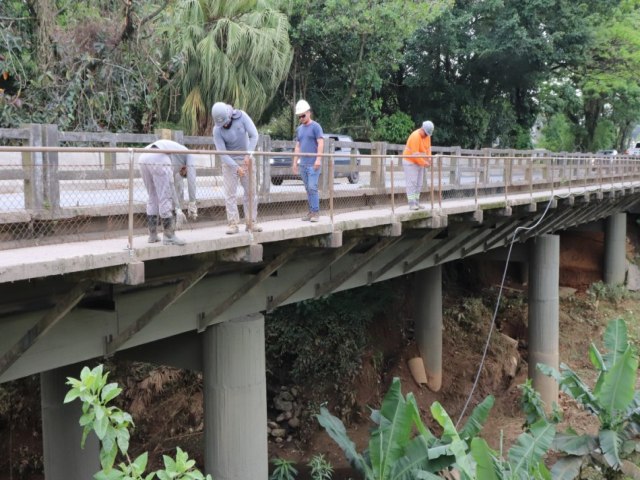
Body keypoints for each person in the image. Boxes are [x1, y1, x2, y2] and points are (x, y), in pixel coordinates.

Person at [212, 102, 261, 234]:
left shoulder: (242, 116)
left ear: (230, 115)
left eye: (226, 122)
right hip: (229, 162)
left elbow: (254, 135)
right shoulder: (217, 130)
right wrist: (235, 167)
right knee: (230, 195)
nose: (225, 125)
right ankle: (233, 224)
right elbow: (222, 153)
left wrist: (248, 154)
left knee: (251, 193)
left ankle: (251, 222)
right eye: (222, 125)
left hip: (246, 158)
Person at [139, 139, 196, 245]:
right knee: (165, 198)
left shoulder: (176, 155)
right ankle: (169, 236)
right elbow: (192, 179)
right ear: (185, 167)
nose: (180, 173)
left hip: (143, 156)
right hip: (159, 157)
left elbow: (171, 186)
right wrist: (193, 201)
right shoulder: (189, 155)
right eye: (183, 173)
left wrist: (178, 208)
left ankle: (152, 235)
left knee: (152, 196)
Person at [292, 99, 324, 222]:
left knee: (312, 187)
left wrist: (318, 159)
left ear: (308, 113)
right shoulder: (299, 129)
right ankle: (311, 212)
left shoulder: (316, 127)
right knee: (307, 188)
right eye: (299, 116)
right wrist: (295, 161)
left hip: (313, 163)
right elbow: (298, 146)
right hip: (303, 164)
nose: (301, 118)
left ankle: (315, 212)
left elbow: (320, 143)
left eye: (303, 115)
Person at [403, 120, 434, 210]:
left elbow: (428, 149)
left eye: (428, 134)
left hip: (419, 162)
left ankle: (417, 202)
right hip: (410, 162)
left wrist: (429, 159)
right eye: (426, 134)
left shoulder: (427, 136)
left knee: (419, 183)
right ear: (422, 129)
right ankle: (411, 204)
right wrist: (425, 163)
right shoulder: (415, 136)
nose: (426, 136)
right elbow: (415, 155)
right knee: (412, 183)